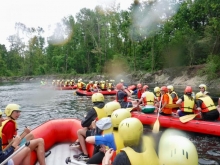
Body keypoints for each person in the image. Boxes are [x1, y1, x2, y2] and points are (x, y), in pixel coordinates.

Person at [71, 93, 107, 161]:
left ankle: (85, 154)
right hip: (105, 131)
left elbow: (83, 123)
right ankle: (78, 141)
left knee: (79, 132)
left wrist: (85, 117)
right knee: (87, 127)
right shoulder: (107, 107)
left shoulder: (94, 110)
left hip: (98, 132)